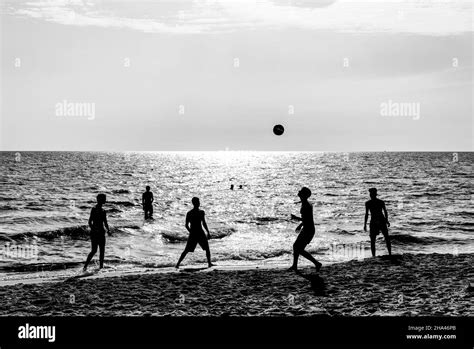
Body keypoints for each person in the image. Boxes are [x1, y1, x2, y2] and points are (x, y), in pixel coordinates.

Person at [289, 187, 322, 272]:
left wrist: (296, 218)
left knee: (299, 248)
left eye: (301, 191)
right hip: (307, 229)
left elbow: (306, 219)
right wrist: (300, 225)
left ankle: (316, 263)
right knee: (296, 247)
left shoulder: (306, 205)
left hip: (308, 230)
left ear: (304, 195)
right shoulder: (305, 203)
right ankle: (295, 266)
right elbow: (307, 219)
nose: (299, 192)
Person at [176, 197, 214, 268]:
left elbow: (188, 225)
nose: (199, 203)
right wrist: (207, 232)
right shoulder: (196, 212)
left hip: (196, 233)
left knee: (206, 248)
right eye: (198, 202)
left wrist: (207, 232)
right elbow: (187, 225)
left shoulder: (195, 212)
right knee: (187, 250)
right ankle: (177, 264)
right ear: (195, 203)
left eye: (199, 202)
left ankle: (209, 263)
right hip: (198, 232)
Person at [84, 193, 111, 271]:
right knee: (94, 250)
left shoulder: (103, 211)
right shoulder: (94, 209)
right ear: (99, 200)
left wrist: (108, 230)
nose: (105, 200)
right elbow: (89, 222)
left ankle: (101, 267)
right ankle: (85, 266)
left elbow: (105, 222)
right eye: (104, 199)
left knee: (102, 250)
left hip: (102, 232)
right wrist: (94, 229)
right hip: (95, 233)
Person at [364, 188, 392, 257]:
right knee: (375, 239)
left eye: (371, 194)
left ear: (374, 194)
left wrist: (387, 220)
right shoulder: (371, 203)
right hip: (377, 221)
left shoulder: (372, 203)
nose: (371, 195)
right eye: (370, 194)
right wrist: (365, 224)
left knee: (384, 238)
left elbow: (385, 211)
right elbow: (367, 214)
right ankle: (376, 255)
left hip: (378, 220)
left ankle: (388, 254)